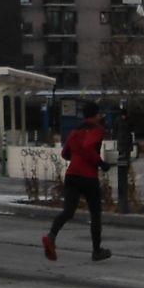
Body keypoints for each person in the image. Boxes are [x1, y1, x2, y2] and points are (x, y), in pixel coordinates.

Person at [42, 101, 111, 262]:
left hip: (72, 175)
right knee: (95, 214)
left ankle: (51, 236)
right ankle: (96, 251)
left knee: (68, 211)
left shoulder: (74, 132)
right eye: (99, 114)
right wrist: (101, 163)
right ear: (95, 115)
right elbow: (88, 149)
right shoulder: (97, 131)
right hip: (88, 177)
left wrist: (77, 158)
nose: (100, 116)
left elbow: (65, 153)